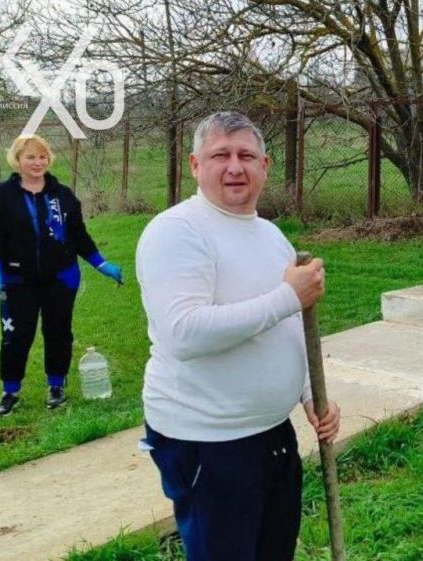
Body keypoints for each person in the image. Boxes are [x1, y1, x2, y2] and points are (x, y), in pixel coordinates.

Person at [135, 111, 341, 561]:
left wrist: (310, 394)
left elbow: (293, 329)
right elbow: (183, 333)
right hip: (209, 442)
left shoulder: (271, 236)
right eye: (220, 155)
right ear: (194, 165)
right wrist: (289, 295)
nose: (234, 167)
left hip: (271, 434)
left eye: (246, 155)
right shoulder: (176, 231)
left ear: (265, 167)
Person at [0, 135, 123, 416]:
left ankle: (56, 386)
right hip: (16, 281)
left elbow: (79, 234)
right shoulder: (0, 196)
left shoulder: (63, 195)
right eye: (30, 157)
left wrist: (101, 264)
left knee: (58, 332)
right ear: (18, 161)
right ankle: (10, 391)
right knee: (16, 336)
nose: (37, 162)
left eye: (42, 157)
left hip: (60, 278)